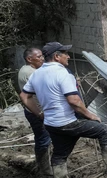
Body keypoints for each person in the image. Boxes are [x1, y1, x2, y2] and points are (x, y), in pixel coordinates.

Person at [20, 42, 107, 177]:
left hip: (51, 124)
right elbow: (74, 101)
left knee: (60, 154)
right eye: (65, 54)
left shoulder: (36, 75)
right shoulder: (62, 73)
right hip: (67, 122)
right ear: (56, 56)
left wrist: (39, 114)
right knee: (105, 132)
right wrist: (90, 115)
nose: (68, 56)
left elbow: (24, 96)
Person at [18, 48, 52, 176]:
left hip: (35, 110)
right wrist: (40, 113)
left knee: (43, 138)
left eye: (42, 56)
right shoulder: (31, 72)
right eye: (39, 56)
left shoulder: (29, 70)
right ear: (29, 59)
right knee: (44, 139)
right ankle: (45, 170)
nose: (42, 58)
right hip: (36, 112)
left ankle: (42, 166)